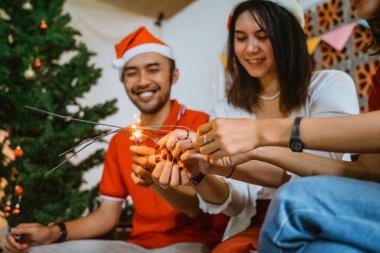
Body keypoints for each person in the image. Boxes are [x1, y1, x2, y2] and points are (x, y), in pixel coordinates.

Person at [153, 0, 359, 251]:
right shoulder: (226, 109)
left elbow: (319, 170)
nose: (250, 48)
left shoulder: (329, 86)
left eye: (263, 36)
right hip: (252, 224)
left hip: (322, 212)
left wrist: (242, 155)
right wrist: (199, 173)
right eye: (240, 38)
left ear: (288, 38)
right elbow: (236, 205)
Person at [1, 27, 227, 253]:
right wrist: (52, 232)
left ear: (174, 75)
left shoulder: (200, 125)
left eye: (153, 69)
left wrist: (156, 180)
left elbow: (204, 205)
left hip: (193, 244)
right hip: (136, 247)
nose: (142, 81)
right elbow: (106, 216)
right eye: (131, 73)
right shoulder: (121, 140)